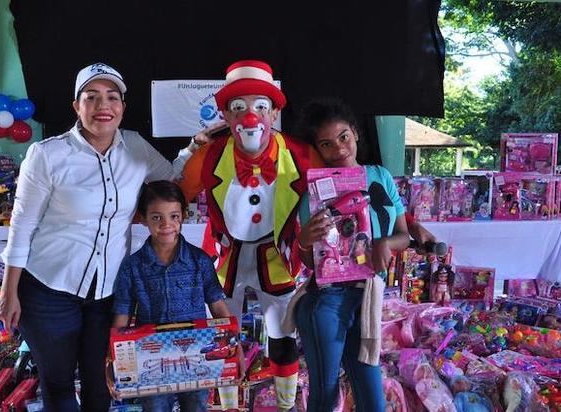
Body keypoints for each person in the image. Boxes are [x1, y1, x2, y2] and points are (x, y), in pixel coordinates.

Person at [0, 62, 174, 412]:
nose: (102, 106)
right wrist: (8, 291)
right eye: (91, 97)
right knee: (59, 384)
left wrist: (198, 147)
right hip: (48, 292)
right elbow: (22, 225)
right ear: (77, 106)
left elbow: (172, 176)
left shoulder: (136, 148)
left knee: (101, 383)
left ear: (122, 106)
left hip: (106, 296)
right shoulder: (48, 154)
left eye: (112, 97)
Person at [178, 60, 324, 411]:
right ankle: (229, 407)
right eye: (238, 108)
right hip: (224, 259)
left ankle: (286, 406)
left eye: (260, 106)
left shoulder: (301, 154)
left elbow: (340, 194)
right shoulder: (209, 154)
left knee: (281, 335)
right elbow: (176, 196)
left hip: (278, 257)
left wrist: (400, 218)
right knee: (222, 339)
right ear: (226, 116)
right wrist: (186, 152)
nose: (250, 116)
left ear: (274, 113)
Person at [293, 98, 411, 412]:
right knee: (325, 395)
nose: (340, 148)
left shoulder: (380, 177)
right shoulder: (315, 192)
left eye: (344, 136)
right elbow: (312, 264)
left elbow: (404, 235)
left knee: (373, 401)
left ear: (356, 133)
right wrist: (305, 241)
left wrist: (384, 243)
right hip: (327, 302)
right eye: (327, 144)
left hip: (369, 299)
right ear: (318, 149)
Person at [112, 180, 231, 412]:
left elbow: (218, 308)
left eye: (174, 216)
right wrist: (114, 361)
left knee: (196, 407)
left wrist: (233, 349)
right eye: (156, 217)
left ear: (183, 216)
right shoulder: (132, 267)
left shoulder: (200, 261)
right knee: (155, 408)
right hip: (150, 358)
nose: (166, 225)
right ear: (142, 218)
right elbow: (122, 317)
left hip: (197, 355)